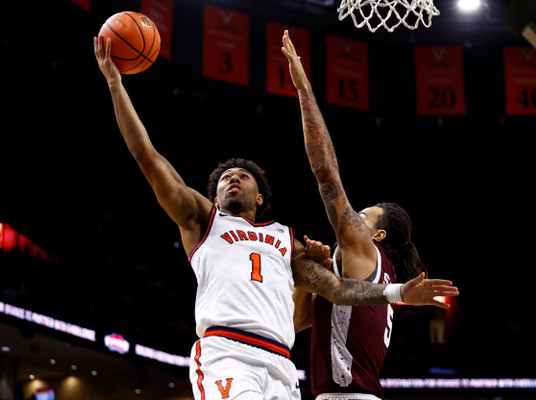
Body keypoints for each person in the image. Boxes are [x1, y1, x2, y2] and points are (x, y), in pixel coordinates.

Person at [94, 35, 459, 400]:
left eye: (243, 176)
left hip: (281, 365)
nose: (233, 178)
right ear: (215, 198)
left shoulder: (287, 239)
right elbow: (147, 155)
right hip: (227, 352)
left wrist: (388, 290)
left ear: (260, 197)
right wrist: (115, 84)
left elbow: (332, 292)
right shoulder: (202, 220)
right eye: (225, 178)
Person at [282, 30, 454, 400]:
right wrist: (313, 273)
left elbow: (326, 173)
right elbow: (297, 323)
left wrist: (304, 91)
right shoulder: (364, 279)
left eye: (361, 216)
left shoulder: (366, 252)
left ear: (376, 236)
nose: (352, 221)